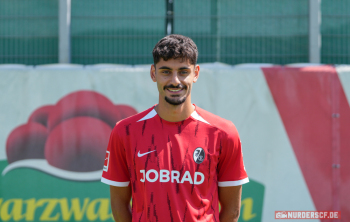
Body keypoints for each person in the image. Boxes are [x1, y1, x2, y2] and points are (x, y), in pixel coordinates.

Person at [101, 34, 249, 222]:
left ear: (195, 73)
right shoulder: (125, 132)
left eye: (183, 71)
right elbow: (119, 205)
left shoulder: (224, 133)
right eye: (166, 71)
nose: (175, 81)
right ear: (153, 73)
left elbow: (232, 211)